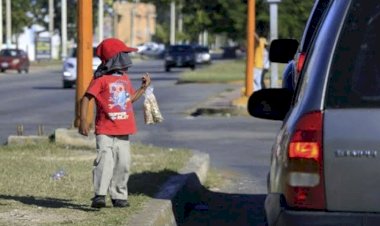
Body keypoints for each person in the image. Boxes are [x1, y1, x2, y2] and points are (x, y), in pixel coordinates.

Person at [79, 38, 151, 208]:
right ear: (115, 57)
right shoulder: (101, 80)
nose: (128, 58)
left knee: (123, 163)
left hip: (123, 130)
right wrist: (83, 120)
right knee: (105, 161)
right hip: (105, 129)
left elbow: (129, 100)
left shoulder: (124, 79)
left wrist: (143, 88)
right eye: (125, 54)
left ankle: (119, 196)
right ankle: (100, 195)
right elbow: (86, 98)